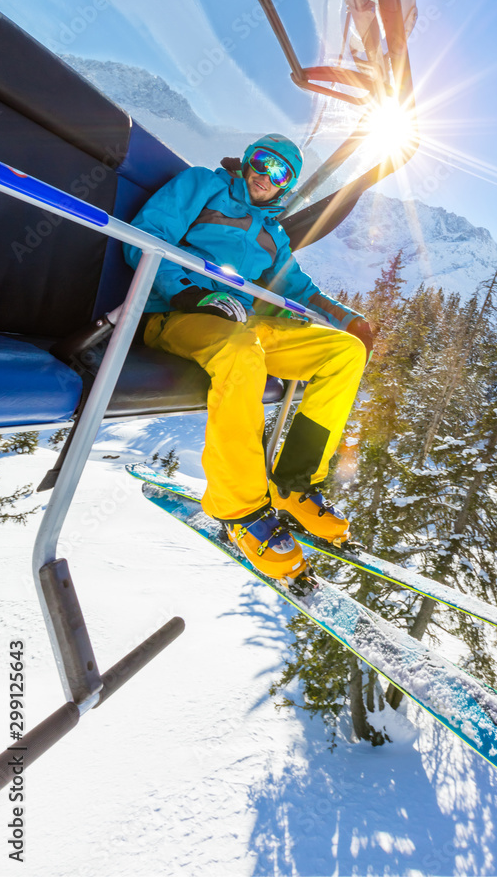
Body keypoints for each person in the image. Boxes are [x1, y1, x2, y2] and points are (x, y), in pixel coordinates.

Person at [124, 133, 372, 587]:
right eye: (261, 162)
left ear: (288, 186)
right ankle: (237, 507)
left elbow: (300, 290)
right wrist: (190, 293)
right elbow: (145, 238)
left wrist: (349, 319)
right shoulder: (204, 186)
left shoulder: (274, 236)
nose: (265, 176)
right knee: (243, 352)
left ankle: (296, 484)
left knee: (343, 353)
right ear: (246, 161)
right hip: (177, 313)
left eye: (279, 173)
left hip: (242, 323)